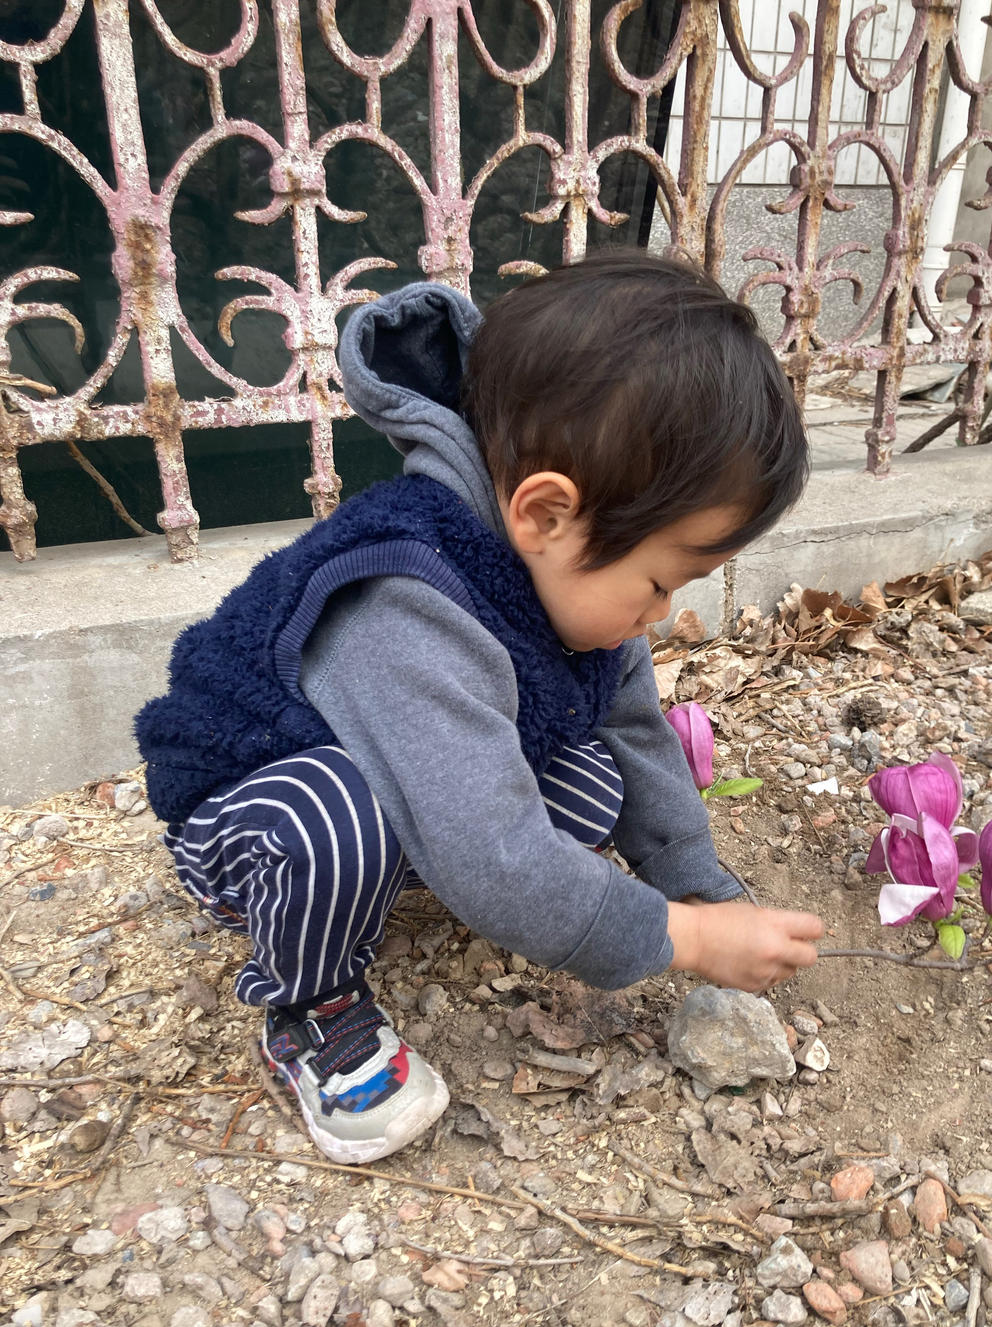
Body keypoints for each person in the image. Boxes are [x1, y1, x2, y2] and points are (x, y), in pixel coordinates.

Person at [136, 251, 823, 1167]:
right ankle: (313, 1007)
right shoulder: (405, 601)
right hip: (255, 807)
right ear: (548, 513)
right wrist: (687, 939)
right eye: (661, 580)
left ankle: (479, 884)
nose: (661, 613)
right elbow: (490, 847)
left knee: (589, 775)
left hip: (409, 775)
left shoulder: (561, 570)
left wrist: (690, 874)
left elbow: (634, 729)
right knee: (336, 819)